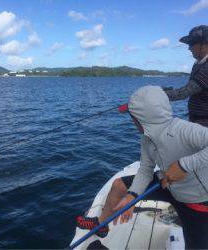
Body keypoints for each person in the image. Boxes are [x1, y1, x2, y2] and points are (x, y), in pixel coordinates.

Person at [76, 86, 208, 249]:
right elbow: (145, 169)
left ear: (142, 117)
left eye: (133, 116)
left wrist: (183, 165)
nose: (132, 120)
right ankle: (102, 225)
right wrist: (132, 195)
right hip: (168, 184)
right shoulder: (147, 139)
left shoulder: (185, 130)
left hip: (197, 202)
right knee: (119, 186)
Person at [164, 25, 208, 127]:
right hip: (197, 122)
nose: (189, 48)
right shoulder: (199, 63)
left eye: (192, 44)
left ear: (205, 44)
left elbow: (183, 93)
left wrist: (156, 94)